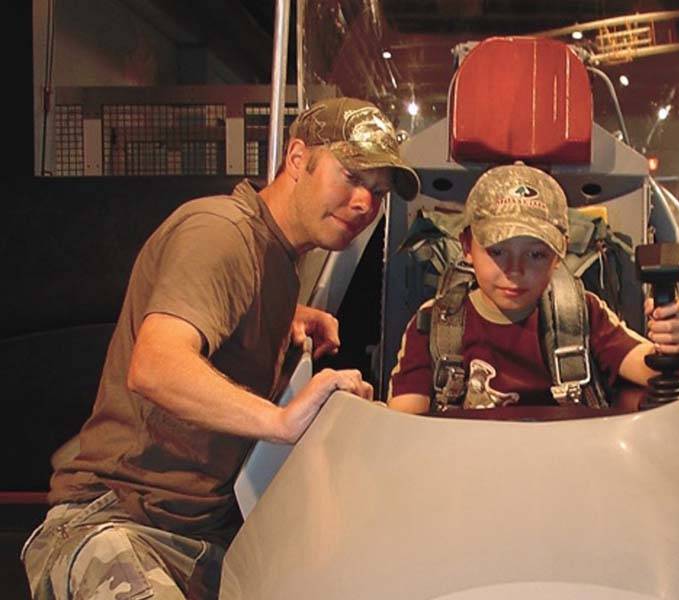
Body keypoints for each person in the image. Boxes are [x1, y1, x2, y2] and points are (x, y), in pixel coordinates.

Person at [22, 97, 420, 600]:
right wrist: (282, 421)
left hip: (203, 535)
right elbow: (156, 366)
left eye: (379, 191)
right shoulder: (220, 231)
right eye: (352, 175)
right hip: (118, 524)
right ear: (297, 158)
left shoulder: (277, 254)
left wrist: (284, 319)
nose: (366, 203)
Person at [387, 163, 679, 414]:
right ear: (467, 246)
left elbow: (654, 373)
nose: (515, 271)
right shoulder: (435, 325)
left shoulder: (580, 314)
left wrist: (676, 344)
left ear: (559, 254)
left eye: (536, 255)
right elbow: (403, 425)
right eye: (497, 251)